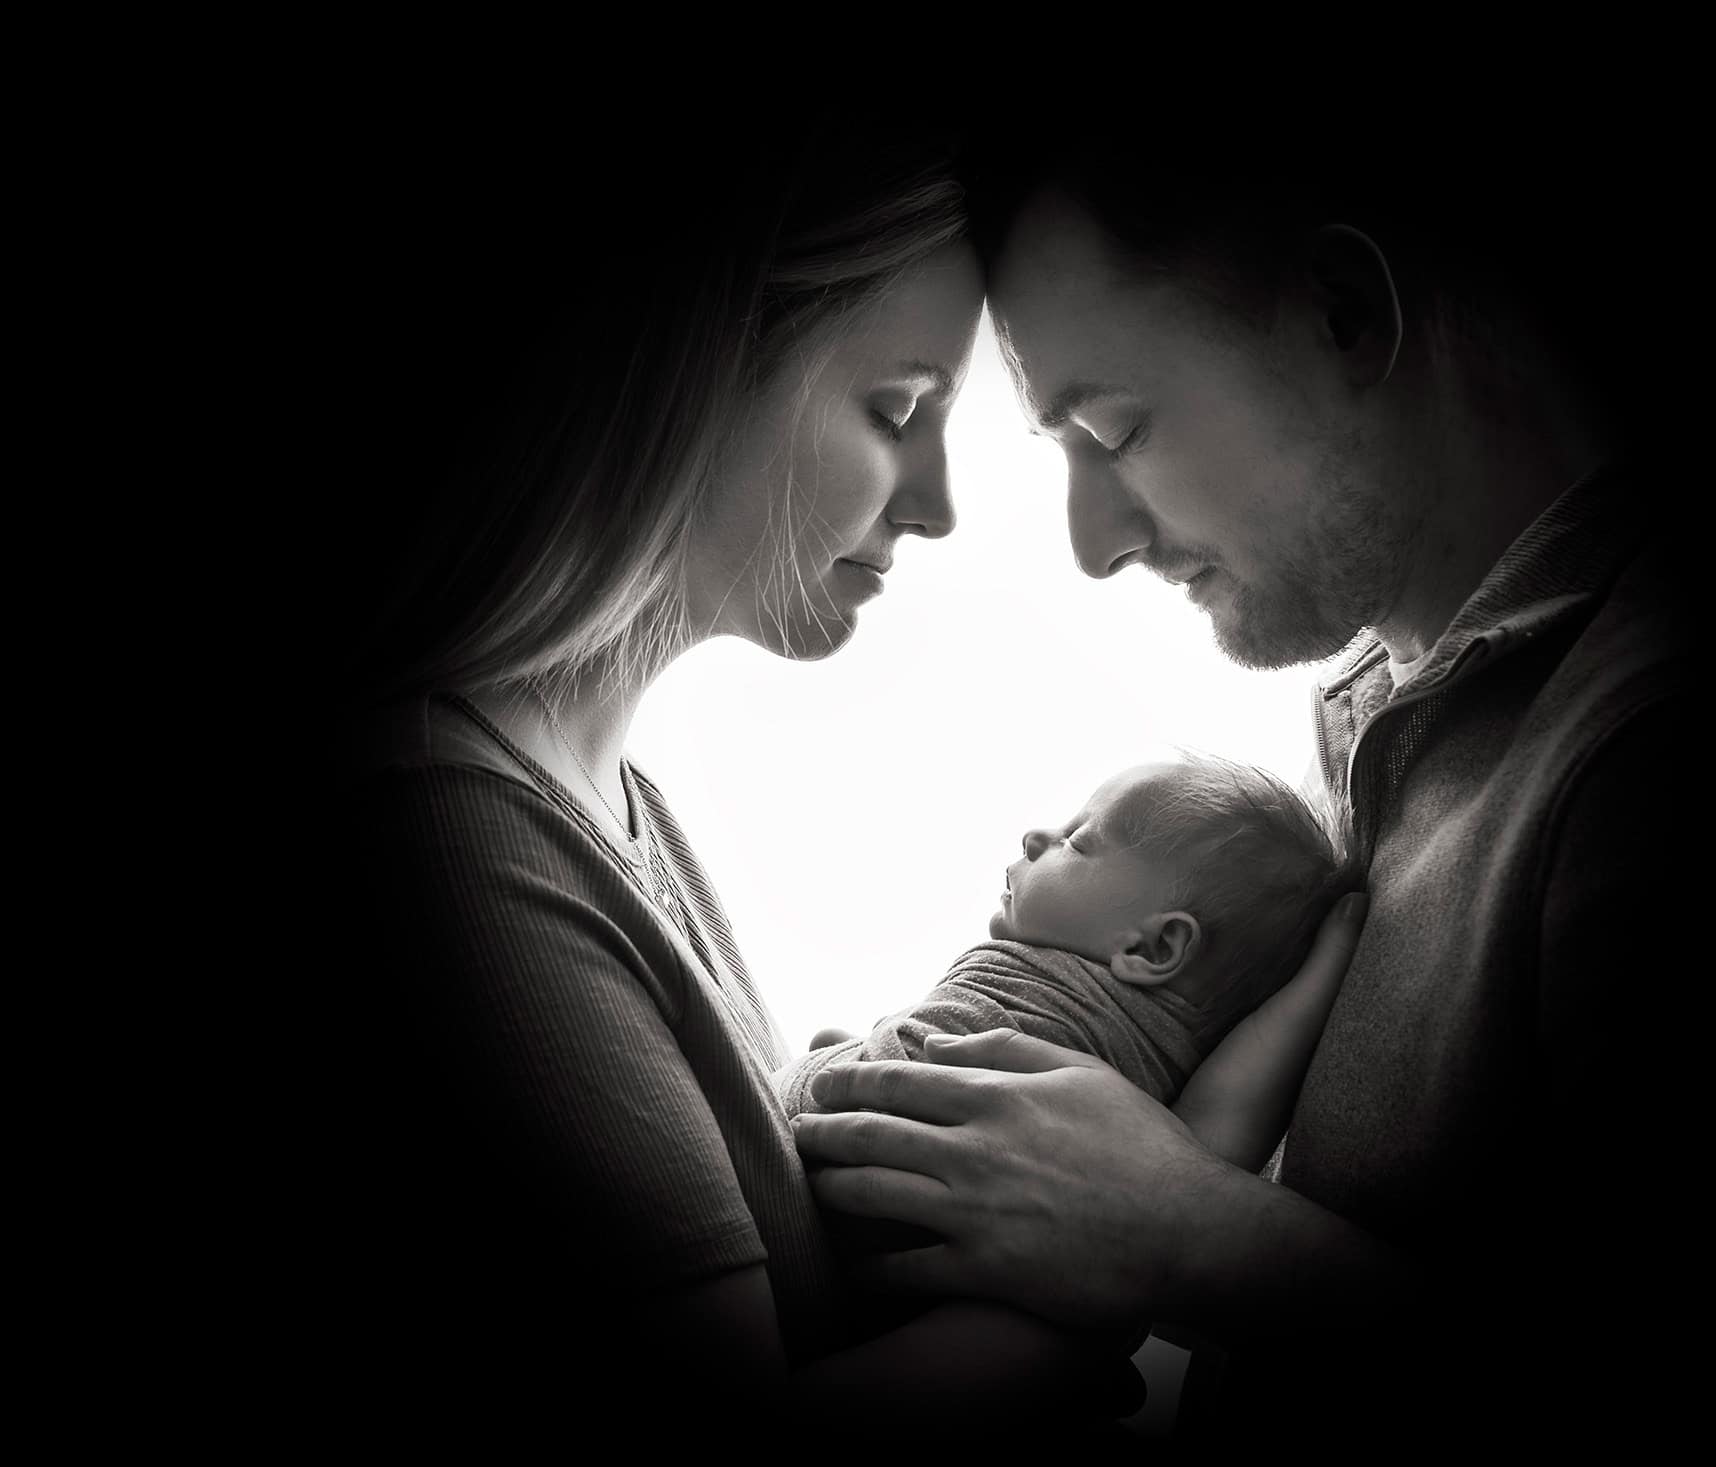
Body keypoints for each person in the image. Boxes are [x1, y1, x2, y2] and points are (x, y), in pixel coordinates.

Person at [790, 121, 1705, 1430]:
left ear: (1344, 312)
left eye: (1113, 428)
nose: (1093, 542)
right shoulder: (1381, 705)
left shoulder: (1648, 749)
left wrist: (1189, 1231)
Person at [307, 127, 1186, 1427]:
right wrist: (1140, 1258)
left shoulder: (605, 804)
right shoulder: (448, 833)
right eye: (896, 409)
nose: (937, 504)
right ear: (691, 373)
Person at [779, 754, 1355, 1176]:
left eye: (1077, 841)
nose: (1036, 836)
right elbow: (1223, 1126)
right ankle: (851, 1051)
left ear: (1154, 948)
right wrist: (1320, 976)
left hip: (828, 1161)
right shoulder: (1168, 1084)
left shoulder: (1066, 1006)